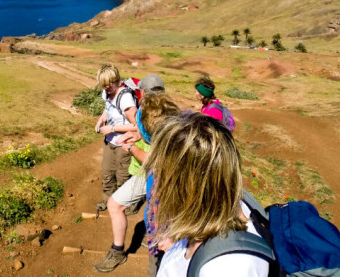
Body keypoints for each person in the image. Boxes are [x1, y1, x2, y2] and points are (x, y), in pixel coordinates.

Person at [143, 112, 269, 277]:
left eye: (161, 174)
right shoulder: (219, 205)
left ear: (185, 185)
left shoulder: (229, 268)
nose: (157, 183)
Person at [94, 85, 179, 274]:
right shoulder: (167, 121)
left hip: (166, 224)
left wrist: (132, 148)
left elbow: (155, 161)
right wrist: (137, 134)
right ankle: (118, 250)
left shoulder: (170, 154)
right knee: (115, 203)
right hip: (147, 175)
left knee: (158, 265)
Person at [94, 64, 138, 212]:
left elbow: (136, 126)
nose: (106, 88)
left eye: (109, 85)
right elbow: (108, 109)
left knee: (123, 176)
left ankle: (127, 204)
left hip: (123, 143)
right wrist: (101, 120)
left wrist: (112, 128)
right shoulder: (106, 93)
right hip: (110, 141)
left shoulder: (125, 98)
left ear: (117, 80)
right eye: (104, 85)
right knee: (107, 173)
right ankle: (107, 199)